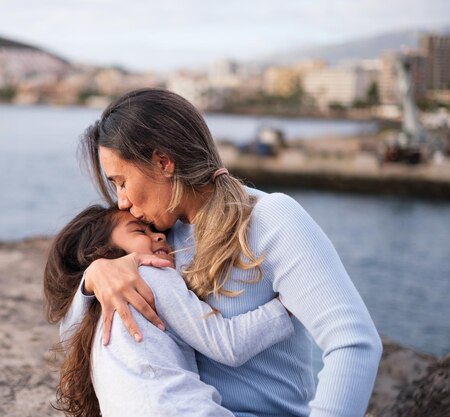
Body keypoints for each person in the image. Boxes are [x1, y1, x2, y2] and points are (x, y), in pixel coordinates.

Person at [63, 88, 383, 417]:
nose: (121, 202)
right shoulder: (156, 239)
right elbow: (76, 337)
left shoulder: (270, 219)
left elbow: (353, 342)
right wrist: (94, 276)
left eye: (121, 181)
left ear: (162, 162)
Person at [44, 205, 294, 417]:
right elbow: (227, 345)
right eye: (140, 231)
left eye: (156, 230)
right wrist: (286, 304)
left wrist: (92, 274)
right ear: (100, 250)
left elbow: (66, 328)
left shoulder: (92, 310)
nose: (160, 237)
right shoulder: (151, 274)